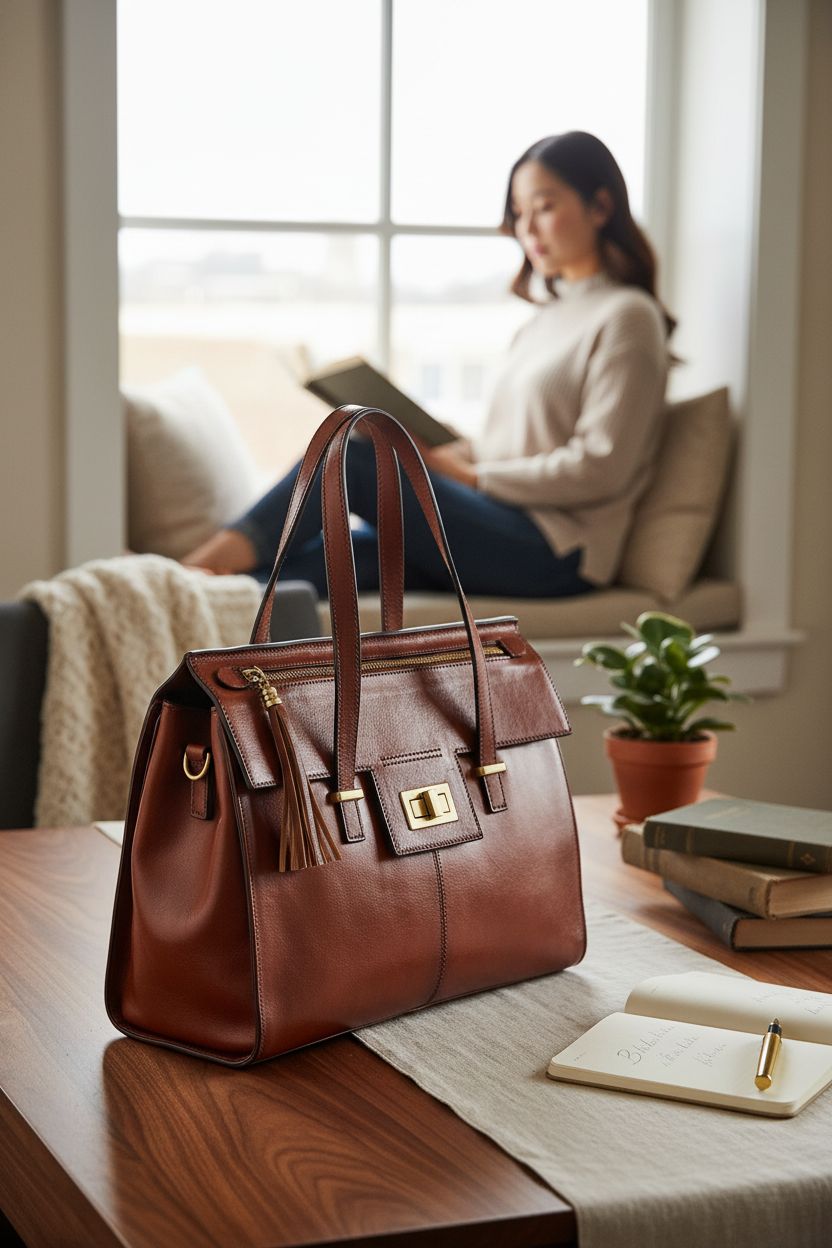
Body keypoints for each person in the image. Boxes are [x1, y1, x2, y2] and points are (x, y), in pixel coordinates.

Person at [183, 130, 675, 599]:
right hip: (500, 516)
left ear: (601, 205)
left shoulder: (629, 316)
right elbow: (516, 444)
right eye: (520, 212)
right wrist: (449, 447)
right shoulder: (543, 322)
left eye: (544, 207)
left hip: (559, 550)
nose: (527, 228)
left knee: (355, 454)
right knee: (332, 561)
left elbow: (602, 468)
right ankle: (197, 596)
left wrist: (470, 478)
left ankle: (188, 571)